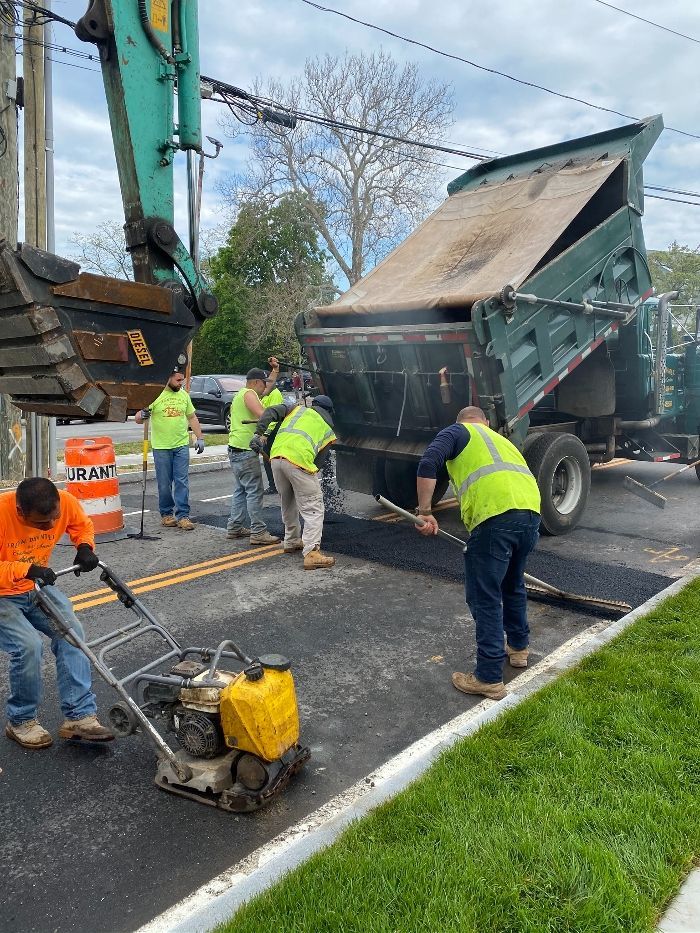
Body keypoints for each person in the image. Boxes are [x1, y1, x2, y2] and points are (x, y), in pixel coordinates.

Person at [416, 406, 541, 700]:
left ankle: (488, 676)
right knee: (512, 584)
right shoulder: (502, 440)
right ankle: (519, 648)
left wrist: (425, 511)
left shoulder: (458, 431)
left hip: (495, 517)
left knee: (485, 596)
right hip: (531, 515)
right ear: (485, 421)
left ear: (462, 421)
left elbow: (428, 463)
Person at [0, 477, 114, 749]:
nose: (51, 527)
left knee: (72, 634)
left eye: (54, 519)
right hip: (3, 594)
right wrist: (24, 570)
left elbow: (81, 524)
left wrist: (85, 546)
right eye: (41, 523)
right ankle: (21, 721)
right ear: (20, 512)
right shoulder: (2, 513)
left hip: (34, 587)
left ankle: (79, 717)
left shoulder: (65, 501)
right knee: (28, 646)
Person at [251, 394, 337, 570]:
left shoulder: (296, 410)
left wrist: (258, 434)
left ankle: (291, 541)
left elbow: (271, 411)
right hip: (298, 462)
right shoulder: (328, 429)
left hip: (276, 459)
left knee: (288, 501)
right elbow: (318, 463)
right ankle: (312, 552)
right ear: (329, 412)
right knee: (313, 507)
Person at [135, 366, 205, 531]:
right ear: (168, 378)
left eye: (182, 380)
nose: (181, 383)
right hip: (161, 447)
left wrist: (200, 437)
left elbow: (192, 417)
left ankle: (183, 516)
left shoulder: (183, 396)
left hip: (181, 445)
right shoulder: (155, 396)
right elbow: (138, 417)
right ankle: (167, 514)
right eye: (178, 380)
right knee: (164, 484)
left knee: (182, 481)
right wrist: (142, 415)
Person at [226, 358, 282, 546]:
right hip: (245, 449)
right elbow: (263, 414)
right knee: (254, 491)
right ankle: (258, 532)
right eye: (263, 383)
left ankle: (234, 527)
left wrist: (275, 370)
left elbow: (268, 388)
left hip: (236, 448)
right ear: (256, 382)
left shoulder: (242, 394)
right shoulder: (249, 394)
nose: (264, 388)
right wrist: (278, 415)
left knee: (241, 490)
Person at [260, 385, 284, 495]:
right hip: (268, 431)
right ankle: (273, 485)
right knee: (267, 459)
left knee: (272, 458)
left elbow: (273, 416)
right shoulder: (265, 395)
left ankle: (276, 486)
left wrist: (266, 433)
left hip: (274, 431)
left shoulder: (275, 394)